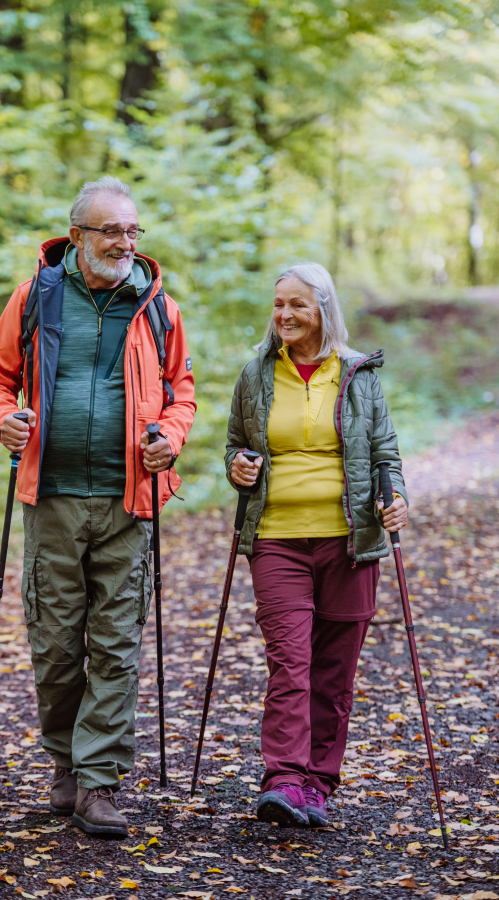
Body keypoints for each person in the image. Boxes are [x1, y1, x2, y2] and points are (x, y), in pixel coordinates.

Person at [0, 176, 196, 838]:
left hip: (129, 501)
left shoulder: (159, 308)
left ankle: (98, 781)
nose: (124, 243)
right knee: (55, 643)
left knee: (115, 642)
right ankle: (65, 765)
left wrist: (171, 436)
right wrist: (3, 420)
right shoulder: (35, 299)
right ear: (76, 236)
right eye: (111, 231)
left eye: (132, 231)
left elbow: (182, 390)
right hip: (52, 499)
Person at [224, 262, 407, 828]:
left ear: (324, 309)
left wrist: (394, 496)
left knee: (334, 672)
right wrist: (237, 467)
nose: (284, 315)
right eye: (279, 304)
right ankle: (283, 779)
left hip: (350, 540)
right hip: (277, 537)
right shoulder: (256, 374)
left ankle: (318, 784)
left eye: (297, 305)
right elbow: (235, 444)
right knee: (289, 663)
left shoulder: (358, 374)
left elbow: (385, 455)